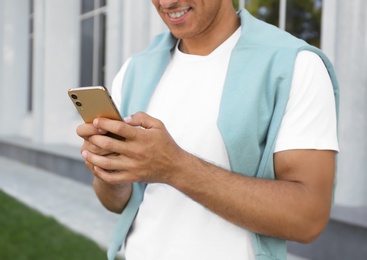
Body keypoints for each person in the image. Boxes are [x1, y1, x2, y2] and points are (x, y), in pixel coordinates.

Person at [77, 1, 339, 260]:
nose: (167, 2)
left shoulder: (296, 66)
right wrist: (108, 169)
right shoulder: (135, 69)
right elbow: (115, 202)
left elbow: (307, 218)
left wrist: (175, 167)